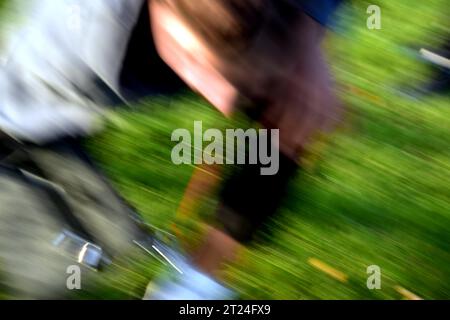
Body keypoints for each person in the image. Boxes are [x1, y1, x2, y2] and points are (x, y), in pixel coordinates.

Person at [0, 0, 343, 299]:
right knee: (54, 260)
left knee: (296, 106)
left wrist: (308, 31)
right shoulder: (75, 36)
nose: (223, 103)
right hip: (73, 67)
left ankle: (198, 285)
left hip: (273, 16)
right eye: (198, 64)